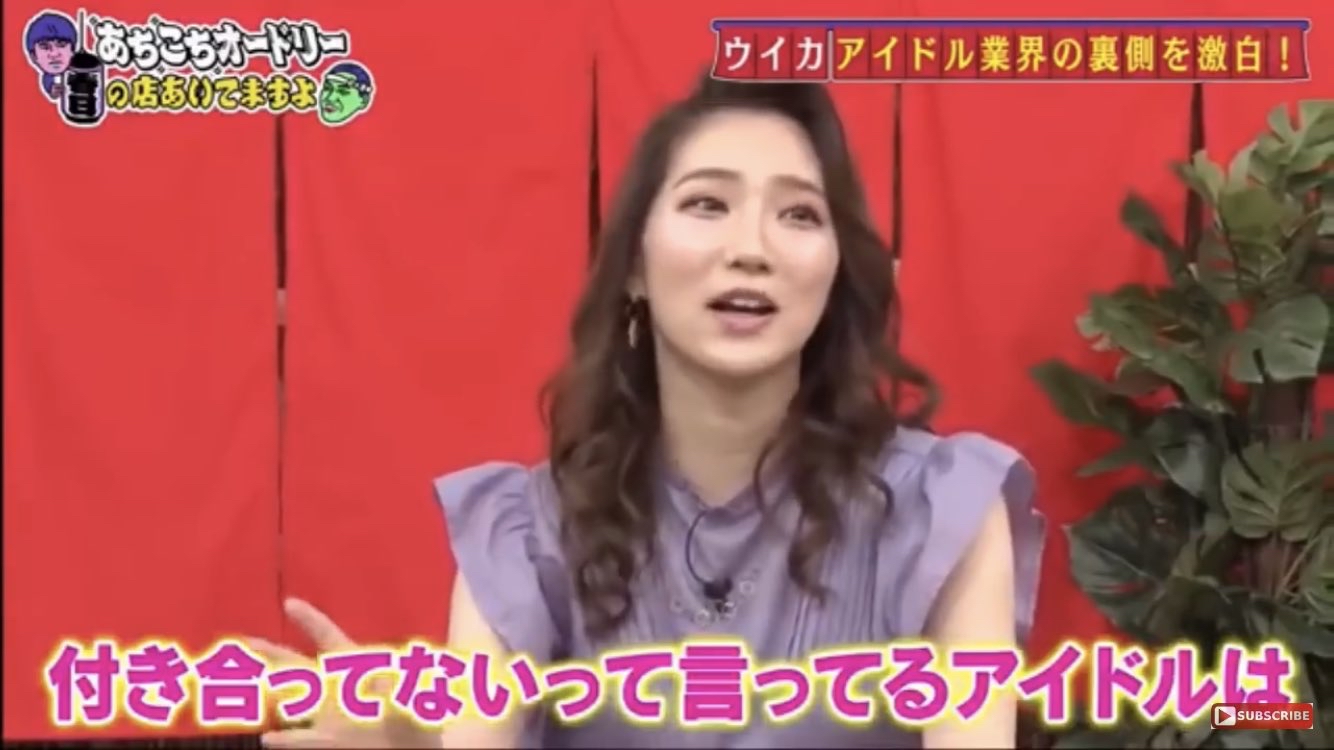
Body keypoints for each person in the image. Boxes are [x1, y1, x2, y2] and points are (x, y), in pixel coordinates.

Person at [253, 74, 1045, 749]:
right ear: (634, 264)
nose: (752, 248)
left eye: (800, 214)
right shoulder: (529, 534)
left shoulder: (940, 513)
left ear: (836, 272)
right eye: (708, 204)